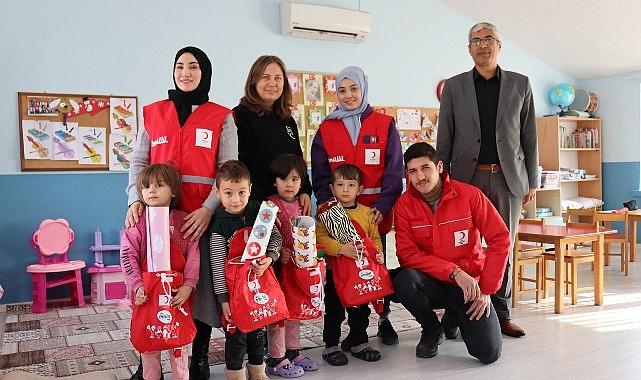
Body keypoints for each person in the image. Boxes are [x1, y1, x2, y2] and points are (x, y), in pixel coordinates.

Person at [124, 46, 238, 380]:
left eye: (193, 67)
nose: (185, 72)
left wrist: (207, 210)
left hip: (198, 218)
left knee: (198, 289)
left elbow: (227, 170)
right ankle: (147, 362)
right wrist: (134, 200)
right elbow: (138, 162)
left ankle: (198, 356)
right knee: (151, 287)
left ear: (205, 72)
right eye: (179, 66)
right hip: (156, 219)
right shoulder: (152, 113)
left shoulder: (222, 116)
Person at [436, 22, 538, 338]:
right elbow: (445, 138)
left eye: (488, 39)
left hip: (509, 180)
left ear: (499, 45)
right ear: (469, 48)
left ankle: (501, 312)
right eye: (476, 40)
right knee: (461, 246)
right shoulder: (454, 87)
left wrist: (532, 179)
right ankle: (457, 311)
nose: (482, 45)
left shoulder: (521, 84)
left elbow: (529, 137)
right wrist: (442, 182)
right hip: (467, 179)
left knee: (502, 247)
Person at [311, 66, 403, 345]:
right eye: (342, 90)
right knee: (341, 274)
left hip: (373, 216)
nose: (348, 95)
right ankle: (339, 331)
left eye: (354, 89)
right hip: (338, 220)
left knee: (375, 269)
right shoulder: (326, 129)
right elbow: (320, 175)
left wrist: (384, 205)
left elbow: (394, 170)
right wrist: (331, 212)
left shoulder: (384, 124)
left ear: (364, 89)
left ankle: (383, 320)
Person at [393, 142, 509, 364]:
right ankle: (432, 330)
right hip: (434, 282)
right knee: (404, 280)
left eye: (425, 168)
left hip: (471, 285)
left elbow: (500, 239)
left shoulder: (470, 195)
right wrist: (453, 272)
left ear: (438, 167)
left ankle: (455, 315)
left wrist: (486, 290)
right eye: (413, 171)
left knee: (489, 354)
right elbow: (407, 254)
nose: (420, 177)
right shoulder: (404, 205)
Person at [121, 164, 200, 380]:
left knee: (178, 342)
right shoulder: (136, 222)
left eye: (159, 185)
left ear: (173, 190)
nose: (151, 190)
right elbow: (128, 256)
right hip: (145, 295)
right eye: (146, 187)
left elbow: (194, 256)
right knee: (149, 342)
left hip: (177, 295)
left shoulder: (185, 221)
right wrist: (137, 285)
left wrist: (188, 285)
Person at [208, 160, 281, 380]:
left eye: (241, 192)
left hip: (260, 284)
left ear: (250, 189)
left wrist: (270, 258)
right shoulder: (219, 224)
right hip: (234, 291)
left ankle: (258, 370)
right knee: (236, 335)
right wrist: (223, 299)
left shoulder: (259, 211)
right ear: (217, 192)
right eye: (228, 193)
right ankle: (235, 373)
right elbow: (217, 264)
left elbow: (275, 237)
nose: (236, 199)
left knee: (259, 329)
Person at [316, 164, 386, 366]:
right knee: (334, 311)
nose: (345, 189)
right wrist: (340, 249)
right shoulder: (326, 213)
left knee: (360, 310)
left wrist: (379, 254)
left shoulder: (367, 214)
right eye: (340, 184)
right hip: (334, 273)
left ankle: (359, 341)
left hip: (360, 274)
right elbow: (320, 238)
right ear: (332, 188)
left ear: (360, 189)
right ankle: (331, 346)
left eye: (351, 184)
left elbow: (375, 238)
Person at [235, 55, 312, 214]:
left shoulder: (287, 119)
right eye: (265, 77)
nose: (272, 83)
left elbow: (297, 159)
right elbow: (240, 165)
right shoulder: (240, 116)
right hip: (256, 206)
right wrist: (263, 203)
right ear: (254, 81)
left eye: (278, 78)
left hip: (289, 204)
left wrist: (305, 190)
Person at [264, 153, 319, 377]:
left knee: (294, 310)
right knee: (279, 314)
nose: (289, 184)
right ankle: (276, 358)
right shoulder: (270, 205)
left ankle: (293, 352)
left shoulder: (303, 204)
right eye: (284, 179)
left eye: (295, 179)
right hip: (278, 269)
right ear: (274, 181)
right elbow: (264, 235)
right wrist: (278, 253)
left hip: (298, 269)